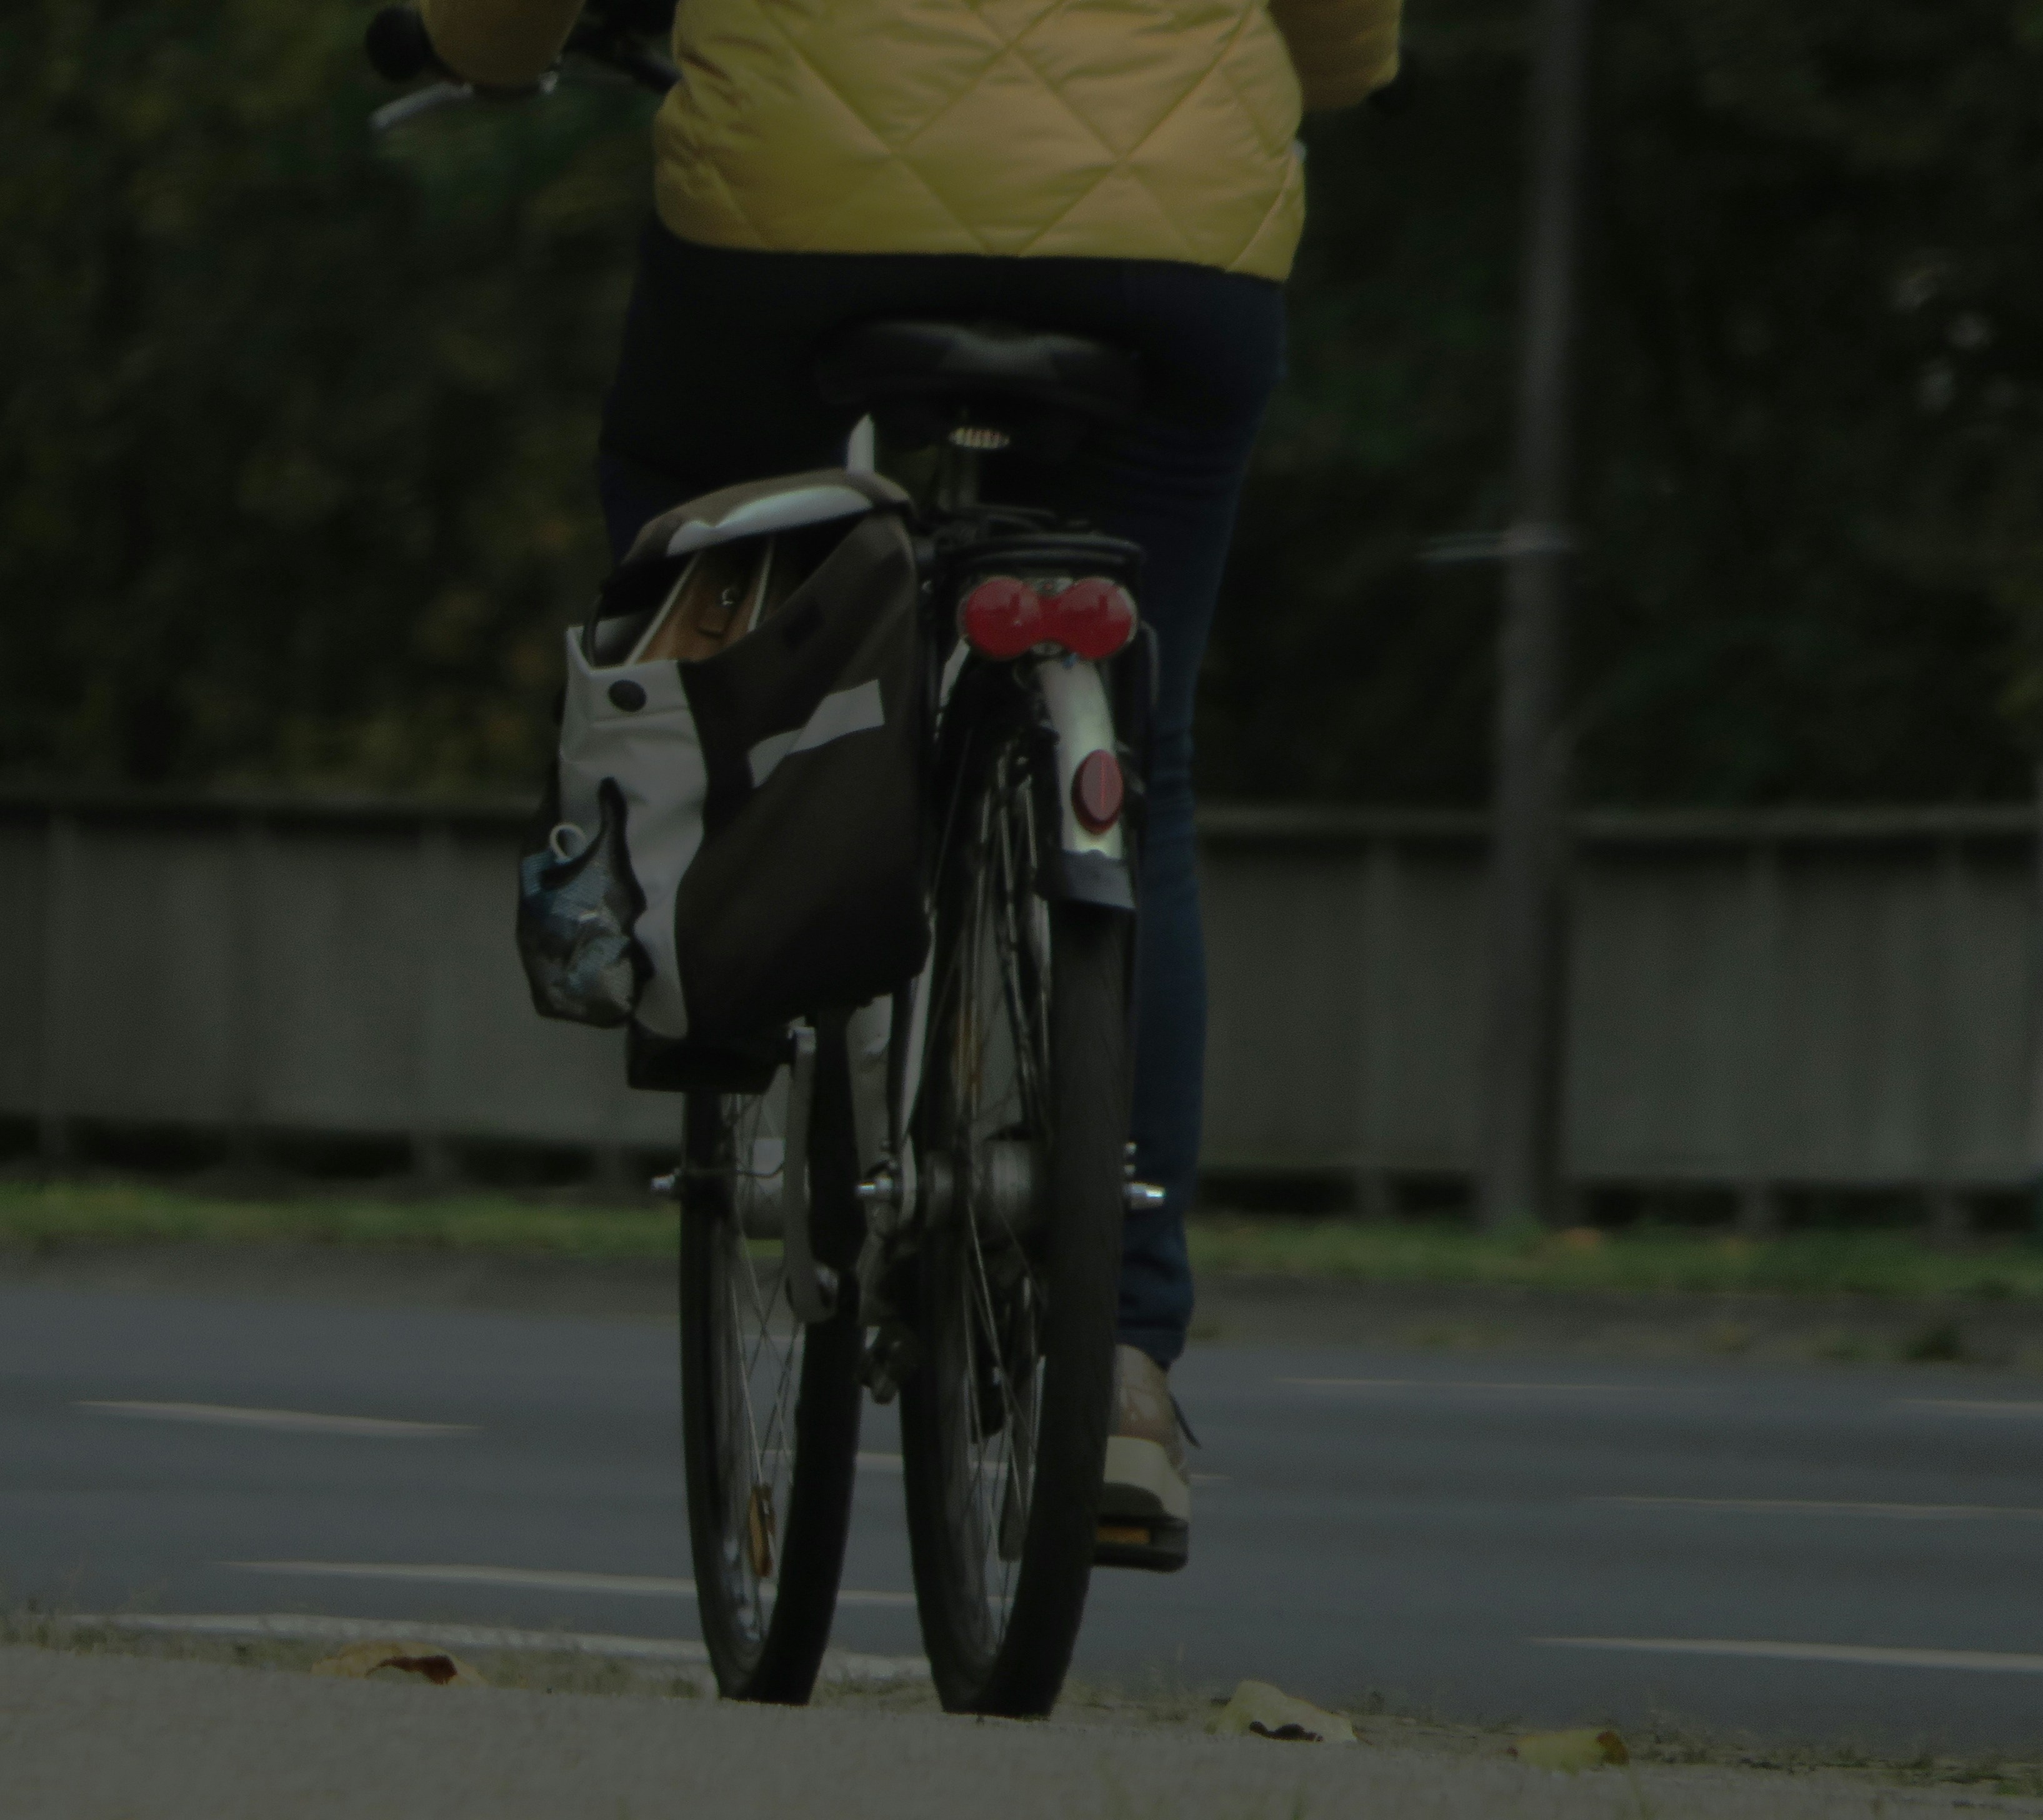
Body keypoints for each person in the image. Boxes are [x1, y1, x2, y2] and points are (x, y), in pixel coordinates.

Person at [419, 0, 1402, 1571]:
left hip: (800, 217)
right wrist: (1340, 70)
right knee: (1144, 772)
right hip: (1174, 235)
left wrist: (480, 47)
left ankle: (711, 874)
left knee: (685, 496)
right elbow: (1344, 40)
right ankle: (1124, 1367)